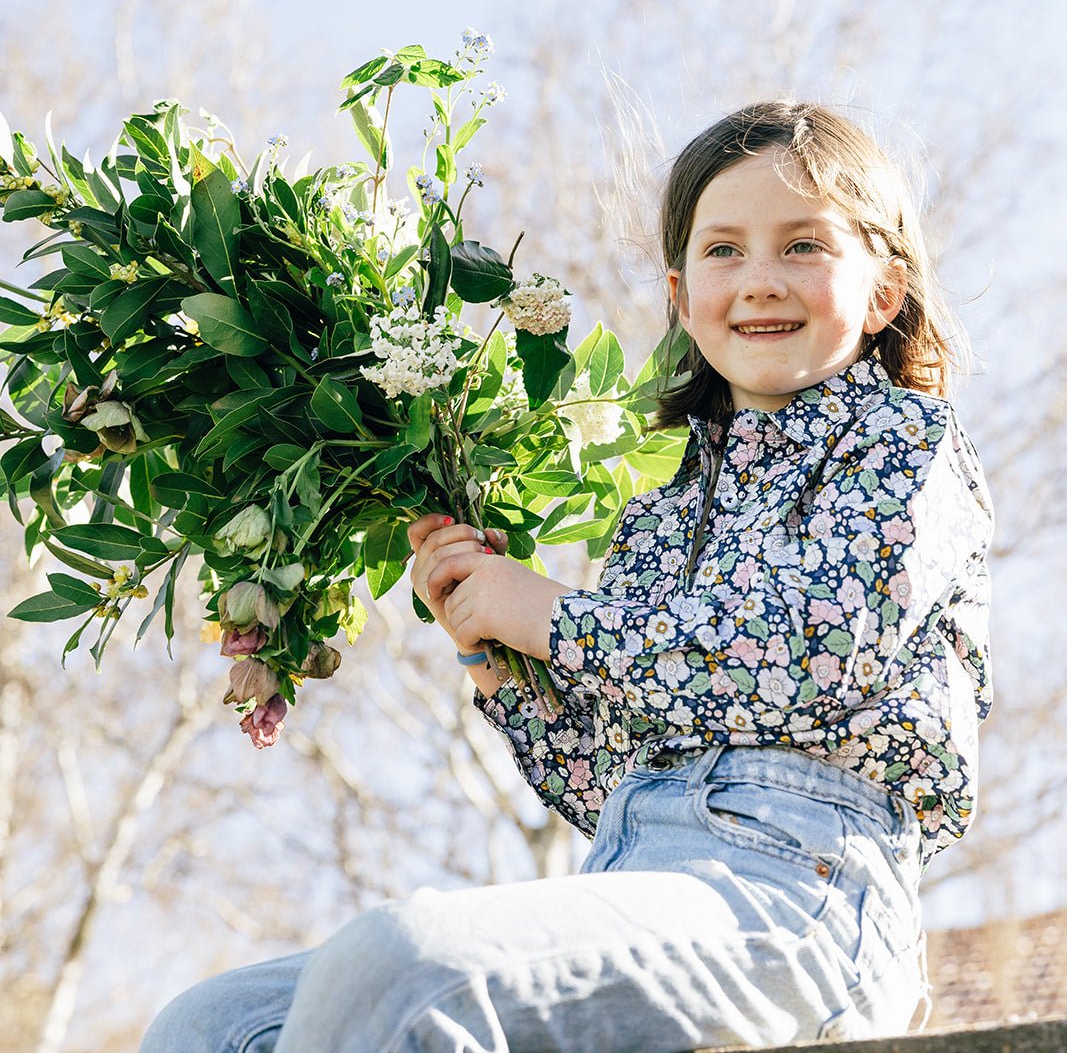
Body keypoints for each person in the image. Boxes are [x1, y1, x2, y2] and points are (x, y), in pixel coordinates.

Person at [141, 100, 993, 1053]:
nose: (759, 280)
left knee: (401, 967)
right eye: (722, 251)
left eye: (802, 246)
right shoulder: (662, 510)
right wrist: (495, 658)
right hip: (635, 870)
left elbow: (811, 662)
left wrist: (554, 618)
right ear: (679, 295)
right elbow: (606, 780)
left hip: (802, 895)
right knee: (208, 1024)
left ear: (882, 293)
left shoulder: (901, 441)